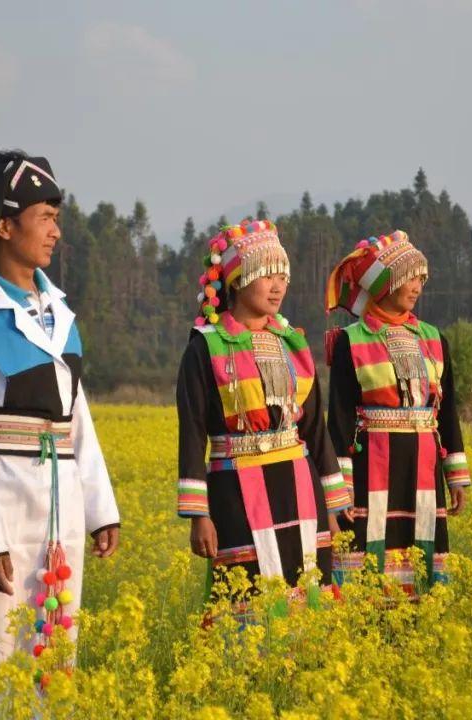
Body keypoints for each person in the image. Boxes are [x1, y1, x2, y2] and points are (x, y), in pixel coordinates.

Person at [0, 150, 119, 667]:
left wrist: (100, 508)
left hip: (61, 506)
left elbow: (76, 416)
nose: (56, 231)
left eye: (58, 218)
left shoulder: (61, 312)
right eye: (46, 218)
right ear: (5, 225)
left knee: (53, 650)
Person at [176, 219, 350, 605]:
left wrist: (334, 507)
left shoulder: (293, 344)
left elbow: (315, 430)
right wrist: (198, 515)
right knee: (248, 593)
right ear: (237, 280)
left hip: (300, 485)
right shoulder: (205, 347)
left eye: (283, 276)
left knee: (308, 590)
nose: (277, 286)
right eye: (266, 275)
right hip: (236, 491)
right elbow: (191, 433)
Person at [324, 231, 469, 590]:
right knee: (371, 546)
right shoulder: (351, 341)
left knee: (422, 546)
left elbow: (446, 412)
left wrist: (457, 477)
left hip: (424, 465)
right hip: (371, 465)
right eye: (409, 277)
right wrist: (338, 489)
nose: (417, 286)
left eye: (421, 278)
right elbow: (339, 419)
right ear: (384, 283)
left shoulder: (434, 339)